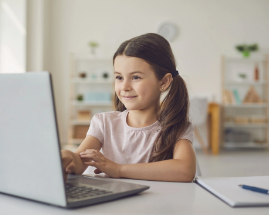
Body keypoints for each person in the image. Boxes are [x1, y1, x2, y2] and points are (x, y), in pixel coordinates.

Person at [61, 33, 196, 182]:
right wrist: (68, 157)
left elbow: (185, 170)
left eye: (136, 77)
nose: (124, 87)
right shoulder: (104, 122)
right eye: (119, 77)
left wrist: (118, 169)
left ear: (164, 81)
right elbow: (79, 161)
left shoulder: (176, 127)